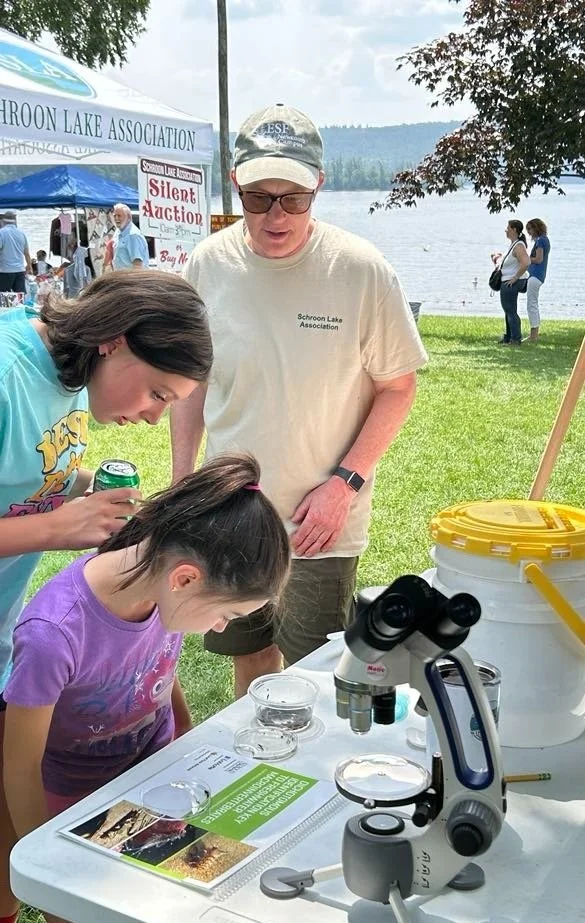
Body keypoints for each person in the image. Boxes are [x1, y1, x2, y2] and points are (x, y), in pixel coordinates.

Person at [170, 102, 428, 698]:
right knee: (251, 661)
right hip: (231, 512)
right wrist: (186, 480)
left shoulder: (361, 269)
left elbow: (398, 387)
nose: (276, 214)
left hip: (321, 523)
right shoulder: (208, 264)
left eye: (295, 197)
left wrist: (344, 485)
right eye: (260, 197)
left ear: (320, 185)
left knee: (320, 674)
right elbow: (193, 380)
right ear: (235, 184)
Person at [0, 269, 212, 923]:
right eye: (156, 392)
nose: (153, 416)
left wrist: (86, 489)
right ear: (114, 341)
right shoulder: (7, 375)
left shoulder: (69, 381)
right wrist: (54, 527)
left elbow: (29, 472)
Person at [2, 456, 289, 890]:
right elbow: (20, 767)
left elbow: (155, 667)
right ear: (186, 579)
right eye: (226, 613)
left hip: (153, 777)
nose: (220, 627)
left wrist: (186, 734)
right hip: (75, 799)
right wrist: (45, 865)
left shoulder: (160, 587)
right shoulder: (53, 634)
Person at [497, 219, 530, 346]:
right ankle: (509, 337)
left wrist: (515, 277)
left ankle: (516, 339)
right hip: (508, 280)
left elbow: (526, 263)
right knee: (508, 310)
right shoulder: (514, 244)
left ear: (514, 229)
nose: (506, 230)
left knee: (510, 311)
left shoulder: (519, 246)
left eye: (508, 228)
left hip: (512, 282)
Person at [524, 218, 551, 342]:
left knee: (531, 304)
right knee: (532, 303)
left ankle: (534, 335)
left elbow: (539, 259)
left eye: (530, 229)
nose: (529, 232)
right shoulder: (543, 240)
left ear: (536, 228)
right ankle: (534, 333)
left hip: (535, 276)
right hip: (536, 276)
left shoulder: (541, 241)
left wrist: (526, 259)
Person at [0, 211, 32, 294]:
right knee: (20, 298)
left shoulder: (1, 233)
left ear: (3, 221)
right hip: (19, 271)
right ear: (15, 221)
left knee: (3, 299)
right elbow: (27, 254)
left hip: (5, 271)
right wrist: (29, 267)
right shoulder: (22, 234)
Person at [112, 203, 150, 270]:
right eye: (114, 216)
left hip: (131, 278)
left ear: (129, 217)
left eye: (119, 216)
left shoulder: (133, 235)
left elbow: (137, 265)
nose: (116, 218)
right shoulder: (118, 232)